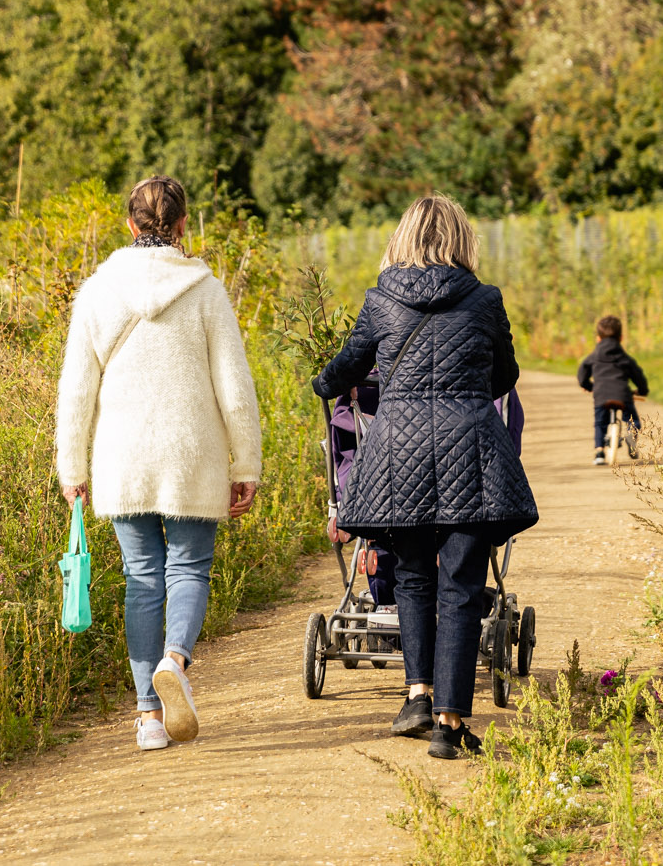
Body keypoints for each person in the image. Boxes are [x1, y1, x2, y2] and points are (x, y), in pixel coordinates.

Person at [313, 195, 537, 759]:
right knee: (460, 586)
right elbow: (504, 374)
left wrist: (325, 383)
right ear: (461, 240)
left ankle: (416, 694)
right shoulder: (485, 300)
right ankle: (449, 724)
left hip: (397, 454)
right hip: (472, 453)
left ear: (403, 236)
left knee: (411, 574)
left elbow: (347, 368)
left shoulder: (381, 299)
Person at [55, 176, 262, 753]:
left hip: (122, 457)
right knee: (190, 568)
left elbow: (76, 390)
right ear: (181, 226)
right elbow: (235, 389)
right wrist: (246, 463)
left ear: (130, 225)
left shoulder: (97, 291)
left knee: (141, 579)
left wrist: (71, 468)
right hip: (191, 452)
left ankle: (148, 715)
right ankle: (175, 660)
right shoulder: (205, 290)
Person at [577, 315, 648, 465]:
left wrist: (589, 386)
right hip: (623, 394)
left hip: (601, 394)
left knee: (600, 423)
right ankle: (631, 434)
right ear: (621, 338)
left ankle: (599, 452)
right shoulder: (625, 358)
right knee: (632, 419)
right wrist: (642, 391)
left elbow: (582, 373)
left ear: (598, 338)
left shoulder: (593, 357)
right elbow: (638, 375)